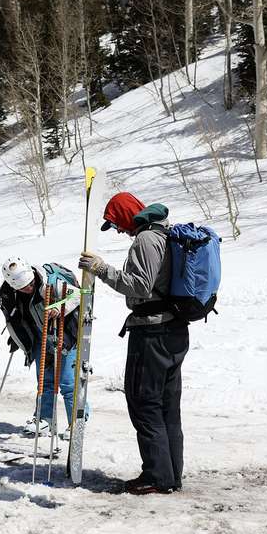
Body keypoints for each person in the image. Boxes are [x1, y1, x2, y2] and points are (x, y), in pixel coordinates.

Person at [79, 192, 187, 495]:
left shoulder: (146, 240)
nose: (118, 231)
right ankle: (170, 475)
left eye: (116, 224)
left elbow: (140, 287)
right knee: (167, 407)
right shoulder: (164, 235)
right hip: (174, 331)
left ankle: (157, 476)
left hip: (153, 333)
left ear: (128, 216)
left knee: (145, 404)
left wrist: (101, 270)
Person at [0, 257, 84, 439]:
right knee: (45, 381)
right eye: (23, 287)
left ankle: (76, 423)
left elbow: (80, 294)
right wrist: (17, 336)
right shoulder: (9, 294)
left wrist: (60, 307)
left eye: (30, 283)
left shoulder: (50, 284)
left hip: (65, 335)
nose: (28, 288)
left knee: (68, 382)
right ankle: (45, 420)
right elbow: (16, 316)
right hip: (40, 337)